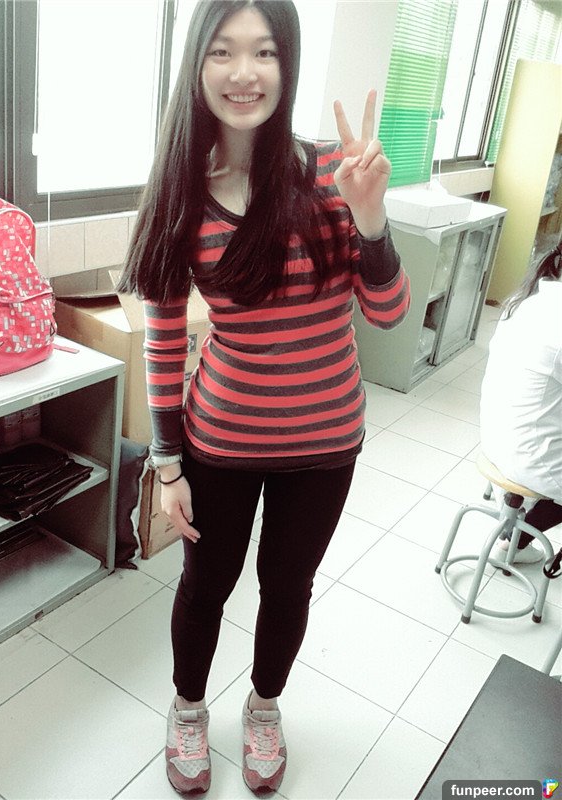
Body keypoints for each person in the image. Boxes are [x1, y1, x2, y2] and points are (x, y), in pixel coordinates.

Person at [118, 0, 409, 794]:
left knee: (288, 586)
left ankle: (264, 706)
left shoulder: (334, 172)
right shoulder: (181, 194)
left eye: (265, 52)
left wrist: (372, 218)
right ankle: (187, 709)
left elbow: (388, 314)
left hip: (326, 445)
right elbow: (164, 343)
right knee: (204, 587)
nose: (244, 72)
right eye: (223, 51)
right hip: (220, 443)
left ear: (288, 62)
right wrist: (167, 466)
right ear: (197, 66)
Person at [480, 239, 562, 565]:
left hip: (495, 439)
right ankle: (515, 539)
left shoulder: (527, 301)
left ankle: (516, 531)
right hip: (529, 458)